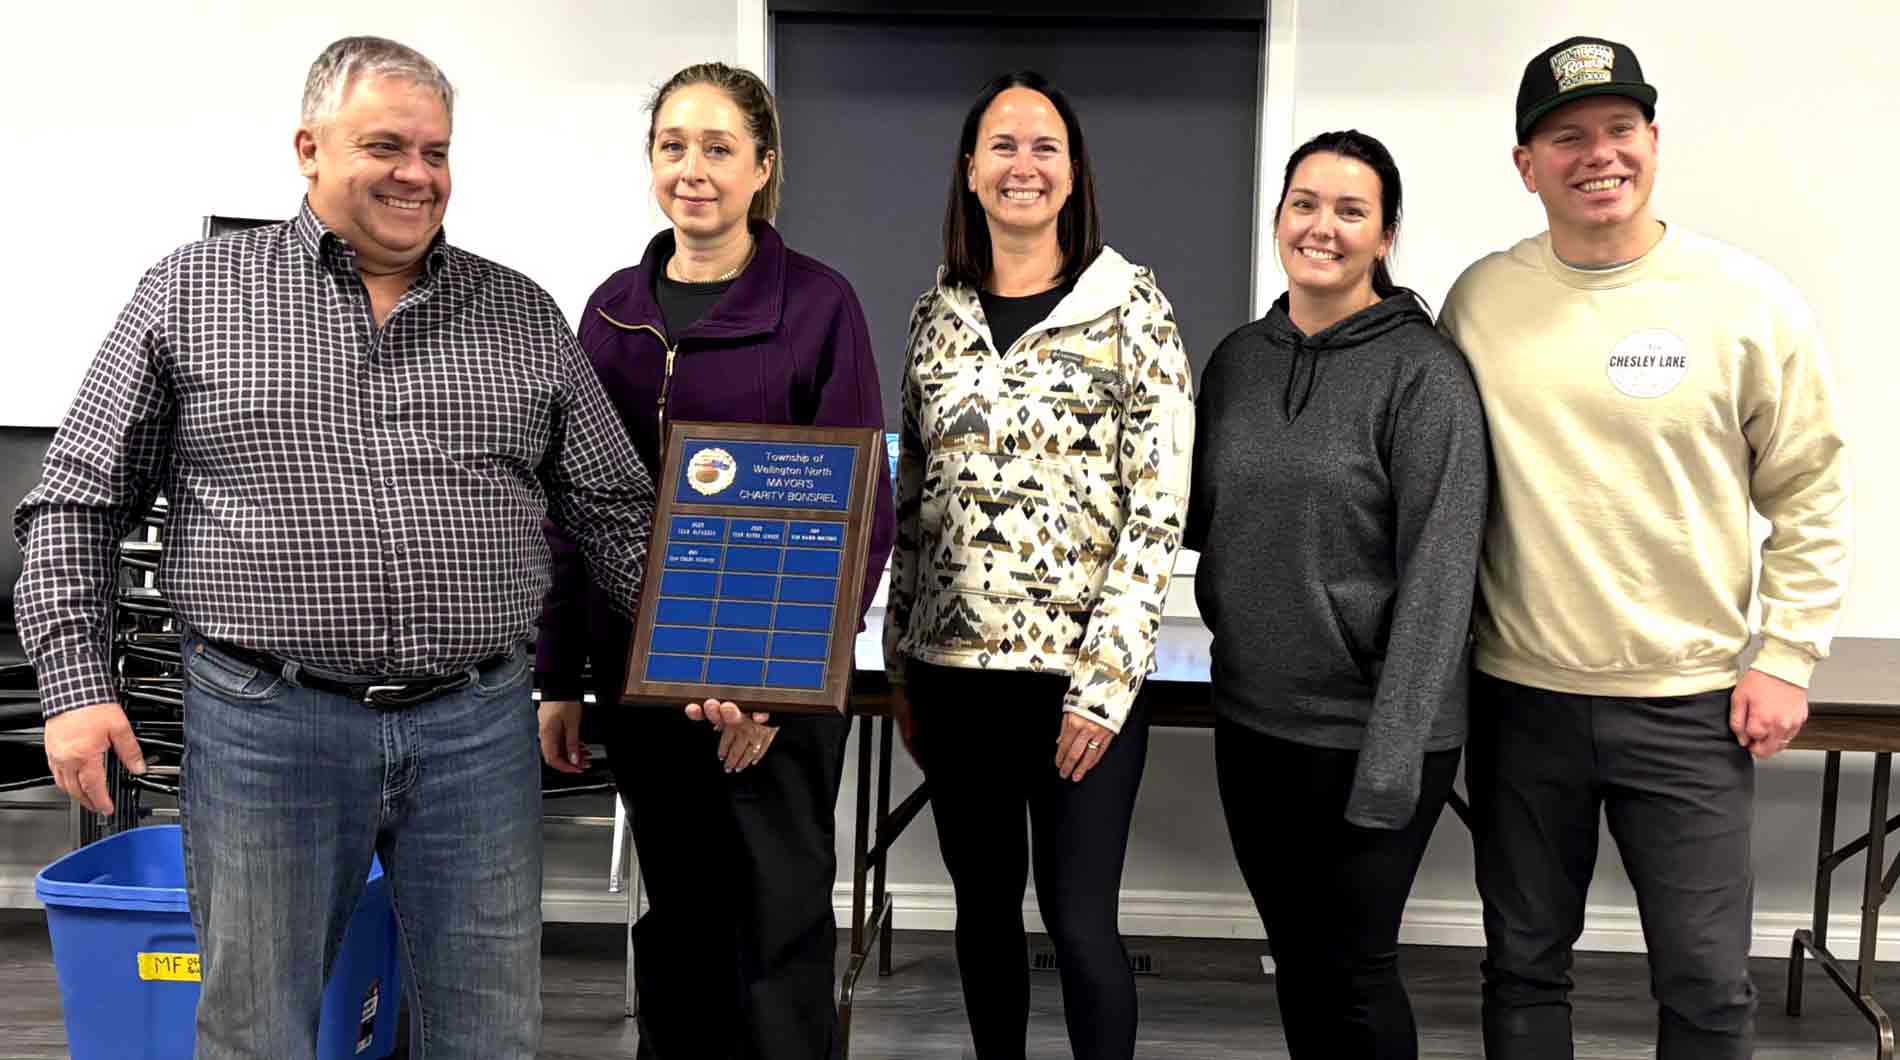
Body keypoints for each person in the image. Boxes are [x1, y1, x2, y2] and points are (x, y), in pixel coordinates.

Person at [11, 36, 656, 1060]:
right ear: (308, 148)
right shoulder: (192, 293)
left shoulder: (520, 311)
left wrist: (722, 657)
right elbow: (76, 499)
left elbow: (619, 511)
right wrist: (77, 685)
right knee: (257, 1025)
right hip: (270, 726)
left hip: (477, 727)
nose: (417, 174)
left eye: (436, 151)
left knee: (489, 1027)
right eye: (386, 145)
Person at [1440, 36, 1853, 1058]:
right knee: (1523, 965)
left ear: (1654, 142)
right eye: (1567, 135)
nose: (1599, 155)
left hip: (1691, 702)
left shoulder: (1744, 301)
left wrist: (1784, 654)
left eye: (1620, 130)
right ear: (1524, 163)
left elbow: (1810, 486)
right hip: (1520, 696)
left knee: (1707, 984)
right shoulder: (1479, 301)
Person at [534, 62, 894, 1060]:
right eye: (673, 145)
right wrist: (558, 675)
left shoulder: (819, 306)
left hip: (776, 696)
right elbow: (571, 506)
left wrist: (774, 688)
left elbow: (859, 506)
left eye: (719, 148)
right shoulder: (610, 312)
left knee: (776, 926)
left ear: (762, 167)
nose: (693, 169)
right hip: (643, 680)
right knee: (681, 919)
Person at [881, 70, 1194, 1060]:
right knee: (981, 916)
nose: (1024, 163)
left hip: (1076, 686)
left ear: (1072, 174)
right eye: (1003, 145)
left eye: (1044, 146)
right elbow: (912, 503)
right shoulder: (935, 317)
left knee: (1080, 925)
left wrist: (1104, 684)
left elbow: (1158, 510)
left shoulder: (1131, 307)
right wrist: (898, 660)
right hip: (954, 677)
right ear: (970, 172)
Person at [1184, 129, 1487, 1059]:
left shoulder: (1424, 375)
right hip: (1256, 723)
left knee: (1354, 968)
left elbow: (1440, 576)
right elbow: (1206, 524)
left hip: (1371, 730)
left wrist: (1393, 760)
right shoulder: (1238, 360)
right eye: (1304, 204)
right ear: (1278, 217)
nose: (1323, 227)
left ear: (1385, 235)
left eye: (1351, 211)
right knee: (1299, 958)